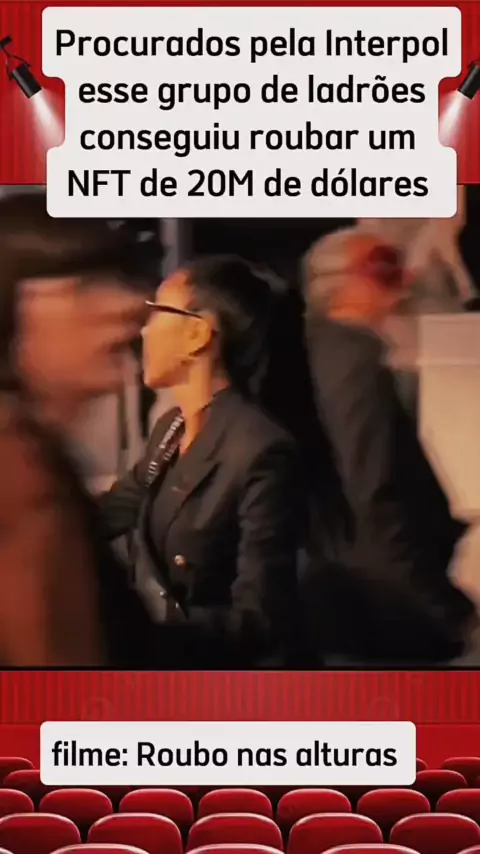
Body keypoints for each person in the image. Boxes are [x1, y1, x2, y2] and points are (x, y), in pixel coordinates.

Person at [0, 190, 198, 667]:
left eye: (121, 279)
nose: (129, 305)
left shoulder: (32, 451)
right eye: (86, 287)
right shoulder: (19, 475)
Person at [99, 256, 307, 667]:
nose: (144, 329)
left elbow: (261, 619)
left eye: (157, 311)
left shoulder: (261, 449)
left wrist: (141, 637)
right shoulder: (172, 428)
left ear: (197, 333)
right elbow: (114, 510)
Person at [301, 227, 477, 664]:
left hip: (358, 603)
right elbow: (372, 495)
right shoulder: (351, 362)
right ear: (338, 285)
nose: (406, 280)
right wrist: (442, 609)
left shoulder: (324, 353)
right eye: (382, 268)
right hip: (384, 610)